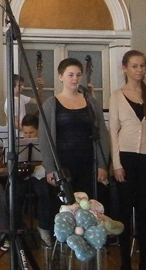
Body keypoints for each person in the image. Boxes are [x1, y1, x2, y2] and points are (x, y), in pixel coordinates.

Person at [110, 50, 146, 270]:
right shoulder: (117, 96)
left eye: (142, 66)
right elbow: (113, 132)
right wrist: (116, 163)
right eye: (134, 66)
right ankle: (125, 262)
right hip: (126, 158)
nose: (139, 70)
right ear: (125, 68)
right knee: (124, 211)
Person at [40, 58, 110, 209]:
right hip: (62, 164)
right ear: (61, 76)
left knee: (88, 207)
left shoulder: (91, 102)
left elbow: (102, 134)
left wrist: (102, 165)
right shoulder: (50, 104)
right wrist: (50, 168)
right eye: (70, 75)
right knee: (65, 208)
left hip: (88, 163)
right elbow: (45, 140)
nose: (75, 79)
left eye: (78, 75)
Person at [15, 114, 56, 246]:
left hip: (40, 175)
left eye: (31, 132)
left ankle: (44, 227)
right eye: (25, 133)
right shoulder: (19, 144)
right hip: (24, 177)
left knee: (45, 192)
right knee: (13, 192)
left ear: (38, 130)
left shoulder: (44, 142)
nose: (27, 136)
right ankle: (17, 228)